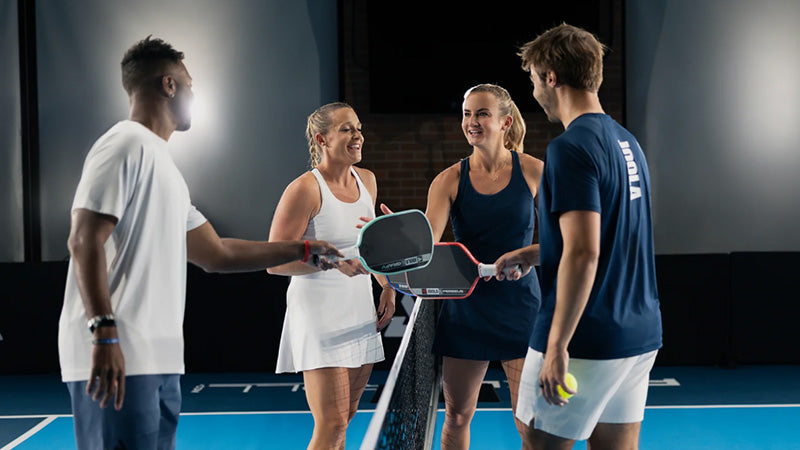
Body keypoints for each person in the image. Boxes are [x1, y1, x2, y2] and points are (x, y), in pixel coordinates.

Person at [58, 36, 342, 450]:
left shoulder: (168, 170)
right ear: (169, 85)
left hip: (160, 357)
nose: (193, 93)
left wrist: (302, 250)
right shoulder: (123, 145)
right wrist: (104, 332)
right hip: (117, 353)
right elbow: (83, 239)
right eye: (189, 84)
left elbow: (216, 253)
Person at [494, 24, 663, 449]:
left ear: (551, 77)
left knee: (538, 440)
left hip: (586, 338)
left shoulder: (570, 148)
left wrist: (557, 345)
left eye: (532, 79)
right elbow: (614, 237)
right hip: (638, 334)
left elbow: (585, 253)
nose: (533, 90)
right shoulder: (627, 142)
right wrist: (538, 252)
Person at [266, 102, 395, 450]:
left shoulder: (367, 180)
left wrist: (386, 285)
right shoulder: (305, 189)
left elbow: (368, 247)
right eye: (346, 129)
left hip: (357, 310)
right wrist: (330, 263)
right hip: (318, 315)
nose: (357, 136)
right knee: (331, 423)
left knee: (347, 416)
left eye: (358, 128)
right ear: (322, 139)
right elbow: (276, 261)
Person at [423, 84, 544, 449]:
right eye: (467, 113)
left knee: (530, 422)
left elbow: (569, 239)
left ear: (505, 121)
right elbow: (424, 245)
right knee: (457, 416)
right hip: (466, 310)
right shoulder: (449, 180)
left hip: (521, 307)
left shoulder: (536, 171)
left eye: (481, 113)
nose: (471, 121)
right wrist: (394, 236)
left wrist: (528, 255)